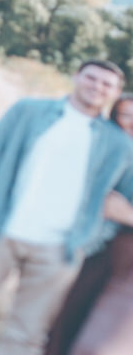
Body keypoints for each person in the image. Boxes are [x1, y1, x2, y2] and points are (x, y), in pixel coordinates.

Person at [0, 60, 133, 355]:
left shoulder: (118, 144)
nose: (97, 87)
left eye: (107, 84)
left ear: (116, 93)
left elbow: (122, 201)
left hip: (59, 250)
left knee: (26, 334)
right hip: (1, 232)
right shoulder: (28, 112)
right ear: (76, 76)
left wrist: (85, 241)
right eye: (91, 78)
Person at [46, 94, 133, 355]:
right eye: (126, 115)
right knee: (71, 315)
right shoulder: (110, 148)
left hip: (125, 251)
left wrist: (127, 215)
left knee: (104, 337)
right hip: (102, 246)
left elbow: (117, 208)